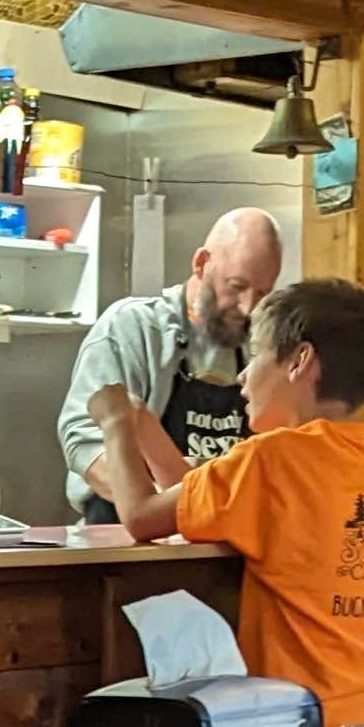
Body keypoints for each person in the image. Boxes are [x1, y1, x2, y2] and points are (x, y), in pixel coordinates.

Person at [88, 274, 364, 727]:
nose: (243, 375)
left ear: (299, 360)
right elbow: (196, 494)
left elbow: (143, 518)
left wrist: (114, 426)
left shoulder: (271, 458)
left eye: (258, 353)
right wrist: (143, 422)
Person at [56, 203, 283, 510]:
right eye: (237, 286)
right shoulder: (133, 328)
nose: (247, 307)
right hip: (126, 535)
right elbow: (84, 441)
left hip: (221, 530)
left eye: (261, 293)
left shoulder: (260, 344)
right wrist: (160, 501)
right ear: (201, 263)